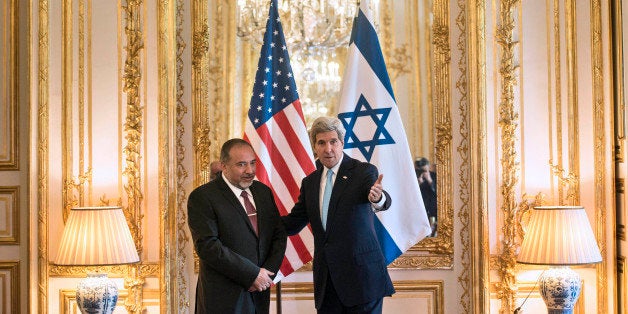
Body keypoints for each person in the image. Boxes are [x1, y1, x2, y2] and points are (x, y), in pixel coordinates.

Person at [282, 116, 395, 313]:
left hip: (362, 280)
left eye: (333, 142)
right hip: (328, 282)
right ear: (314, 147)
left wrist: (378, 198)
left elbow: (383, 200)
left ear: (342, 143)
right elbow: (293, 223)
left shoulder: (363, 172)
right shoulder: (310, 182)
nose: (328, 149)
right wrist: (257, 222)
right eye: (321, 143)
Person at [187, 138, 287, 314]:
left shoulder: (263, 192)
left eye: (252, 163)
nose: (249, 171)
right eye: (241, 165)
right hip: (223, 297)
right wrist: (252, 275)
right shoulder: (203, 197)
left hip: (260, 294)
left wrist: (265, 276)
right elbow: (208, 246)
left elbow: (278, 235)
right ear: (224, 166)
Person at [415, 157, 437, 235]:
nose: (423, 172)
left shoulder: (434, 176)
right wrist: (418, 184)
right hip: (419, 209)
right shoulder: (414, 176)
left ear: (428, 166)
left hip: (432, 208)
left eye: (424, 170)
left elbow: (439, 193)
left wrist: (430, 180)